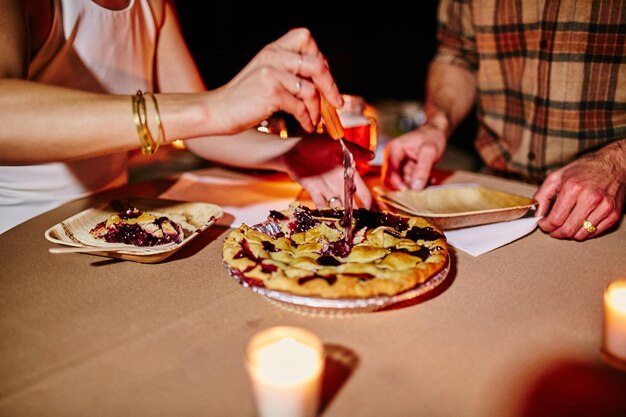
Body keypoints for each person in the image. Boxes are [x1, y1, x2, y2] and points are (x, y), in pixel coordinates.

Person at [0, 0, 373, 234]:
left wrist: (291, 153)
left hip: (111, 219)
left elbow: (201, 131)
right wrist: (212, 106)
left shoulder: (154, 4)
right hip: (17, 240)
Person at [382, 0, 625, 241]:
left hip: (606, 204)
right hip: (494, 189)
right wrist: (437, 124)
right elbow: (457, 56)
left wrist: (614, 165)